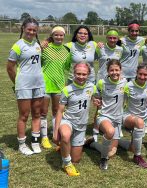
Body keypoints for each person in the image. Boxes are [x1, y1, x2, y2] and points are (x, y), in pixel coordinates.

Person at [7, 17, 44, 155]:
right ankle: (22, 144)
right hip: (24, 85)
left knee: (37, 113)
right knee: (24, 115)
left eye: (34, 30)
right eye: (29, 29)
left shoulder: (37, 44)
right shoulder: (18, 45)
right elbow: (10, 68)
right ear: (23, 28)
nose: (31, 32)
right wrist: (17, 83)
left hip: (39, 84)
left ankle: (34, 141)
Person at [53, 62, 97, 176]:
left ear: (88, 75)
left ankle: (63, 148)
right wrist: (55, 132)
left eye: (84, 74)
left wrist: (96, 100)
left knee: (76, 160)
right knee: (66, 135)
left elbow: (95, 96)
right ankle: (67, 164)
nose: (81, 77)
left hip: (81, 125)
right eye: (78, 73)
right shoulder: (67, 89)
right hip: (67, 121)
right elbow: (60, 111)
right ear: (73, 74)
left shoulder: (92, 87)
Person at [85, 60, 127, 170]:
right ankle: (103, 159)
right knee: (110, 132)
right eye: (111, 70)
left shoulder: (125, 82)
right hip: (104, 116)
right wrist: (95, 99)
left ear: (120, 70)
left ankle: (92, 144)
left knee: (112, 152)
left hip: (117, 119)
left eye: (117, 70)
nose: (114, 72)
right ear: (108, 71)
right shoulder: (101, 83)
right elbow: (94, 95)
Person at [40, 26, 71, 149]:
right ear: (52, 36)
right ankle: (44, 137)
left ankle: (55, 134)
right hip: (45, 85)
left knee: (56, 111)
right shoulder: (45, 48)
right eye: (56, 35)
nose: (59, 37)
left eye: (61, 35)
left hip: (59, 86)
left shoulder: (66, 51)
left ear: (64, 36)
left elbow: (68, 67)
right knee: (43, 112)